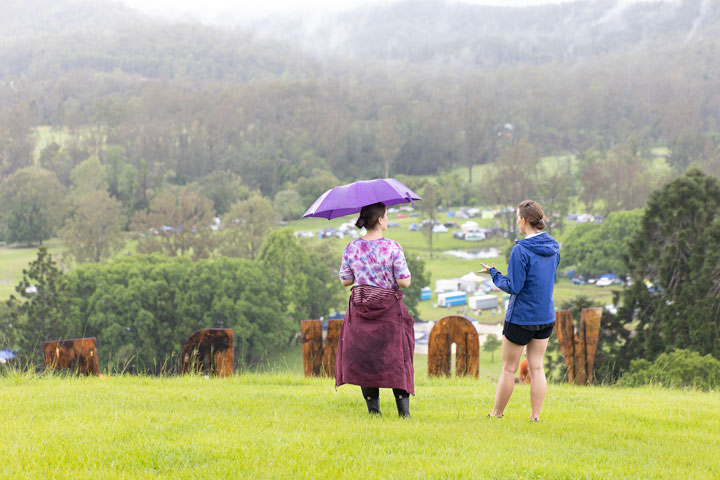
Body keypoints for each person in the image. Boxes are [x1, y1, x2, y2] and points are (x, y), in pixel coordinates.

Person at [478, 200, 560, 422]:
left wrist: (494, 273)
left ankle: (497, 413)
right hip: (545, 317)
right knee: (537, 368)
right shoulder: (554, 248)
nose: (517, 222)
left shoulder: (520, 250)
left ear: (524, 220)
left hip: (521, 318)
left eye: (517, 218)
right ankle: (535, 417)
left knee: (508, 369)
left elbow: (514, 286)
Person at [335, 202, 414, 418]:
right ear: (380, 220)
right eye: (386, 215)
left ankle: (373, 413)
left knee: (366, 359)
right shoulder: (392, 247)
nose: (387, 219)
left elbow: (345, 281)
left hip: (360, 312)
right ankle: (403, 414)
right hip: (388, 313)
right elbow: (404, 282)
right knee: (397, 359)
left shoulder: (351, 248)